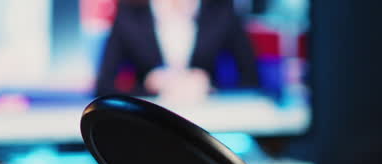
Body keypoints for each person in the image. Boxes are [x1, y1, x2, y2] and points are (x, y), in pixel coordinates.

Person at [94, 0, 259, 102]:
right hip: (149, 121)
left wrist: (210, 88)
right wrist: (149, 88)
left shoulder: (221, 8)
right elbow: (103, 88)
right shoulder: (130, 12)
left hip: (208, 120)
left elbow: (251, 80)